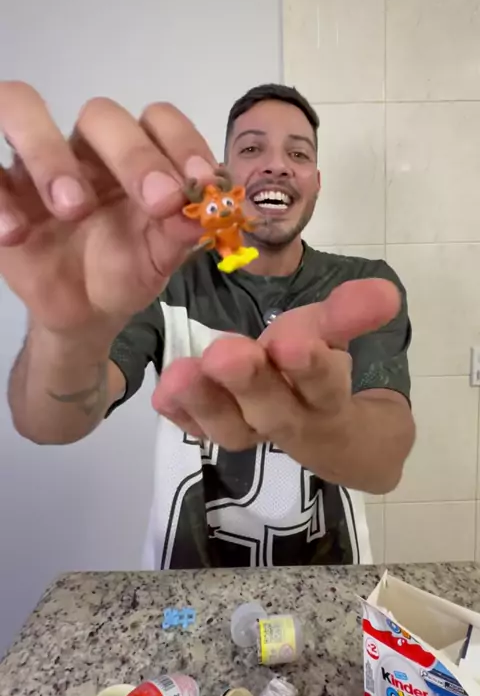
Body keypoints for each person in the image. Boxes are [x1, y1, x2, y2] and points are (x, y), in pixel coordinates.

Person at [0, 80, 415, 569]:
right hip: (184, 596)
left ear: (317, 182)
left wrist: (316, 425)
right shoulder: (165, 279)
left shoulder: (359, 288)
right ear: (222, 178)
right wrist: (69, 335)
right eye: (252, 148)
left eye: (298, 154)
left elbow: (386, 464)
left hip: (331, 592)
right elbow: (49, 425)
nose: (277, 164)